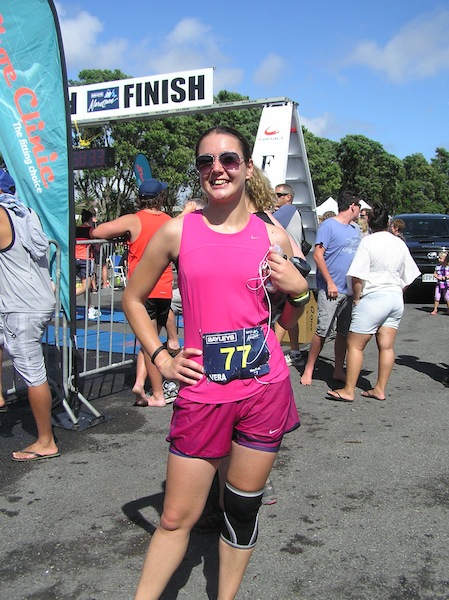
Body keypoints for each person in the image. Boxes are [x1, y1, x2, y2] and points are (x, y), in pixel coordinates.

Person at [122, 125, 308, 599]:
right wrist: (162, 359)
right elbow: (133, 299)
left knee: (241, 510)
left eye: (228, 159)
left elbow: (288, 321)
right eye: (206, 161)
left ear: (247, 167)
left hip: (264, 391)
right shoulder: (178, 230)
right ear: (199, 170)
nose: (217, 169)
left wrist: (301, 292)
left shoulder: (273, 237)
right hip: (204, 393)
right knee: (174, 518)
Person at [326, 203, 420, 402]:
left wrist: (357, 298)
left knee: (355, 345)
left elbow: (357, 275)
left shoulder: (367, 242)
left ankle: (348, 390)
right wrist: (397, 290)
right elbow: (410, 275)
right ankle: (379, 389)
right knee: (386, 346)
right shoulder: (399, 243)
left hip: (373, 296)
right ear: (388, 223)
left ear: (369, 222)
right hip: (395, 297)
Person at [92, 178, 173, 407]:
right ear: (160, 198)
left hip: (142, 292)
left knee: (149, 344)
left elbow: (97, 231)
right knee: (150, 340)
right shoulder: (169, 221)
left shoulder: (133, 220)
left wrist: (121, 236)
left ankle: (155, 391)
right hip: (164, 288)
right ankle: (140, 383)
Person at [0, 169, 59, 461]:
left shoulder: (2, 214)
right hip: (33, 300)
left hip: (20, 306)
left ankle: (46, 441)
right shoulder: (25, 213)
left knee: (33, 375)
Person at [300, 190, 362, 386]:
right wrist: (330, 282)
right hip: (331, 289)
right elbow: (318, 255)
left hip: (349, 289)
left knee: (343, 332)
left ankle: (338, 370)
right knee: (323, 330)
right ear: (352, 206)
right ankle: (309, 368)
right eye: (359, 206)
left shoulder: (356, 229)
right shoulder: (328, 226)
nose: (360, 210)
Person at [273, 183, 306, 367]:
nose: (275, 198)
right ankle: (295, 352)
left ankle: (270, 354)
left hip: (288, 269)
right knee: (290, 310)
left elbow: (264, 221)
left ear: (288, 197)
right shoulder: (290, 212)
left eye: (279, 195)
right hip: (292, 267)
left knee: (281, 313)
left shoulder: (288, 210)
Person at [75, 209, 100, 320]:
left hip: (75, 259)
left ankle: (89, 308)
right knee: (86, 286)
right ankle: (66, 297)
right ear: (90, 219)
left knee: (86, 286)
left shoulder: (75, 229)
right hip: (85, 259)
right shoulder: (91, 230)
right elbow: (97, 247)